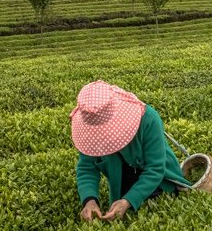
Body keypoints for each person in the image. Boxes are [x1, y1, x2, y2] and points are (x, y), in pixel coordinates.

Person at [71, 80, 192, 222]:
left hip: (159, 181)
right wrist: (89, 200)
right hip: (123, 180)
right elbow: (87, 167)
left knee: (146, 216)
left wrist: (128, 201)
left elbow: (155, 169)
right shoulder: (90, 127)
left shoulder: (148, 119)